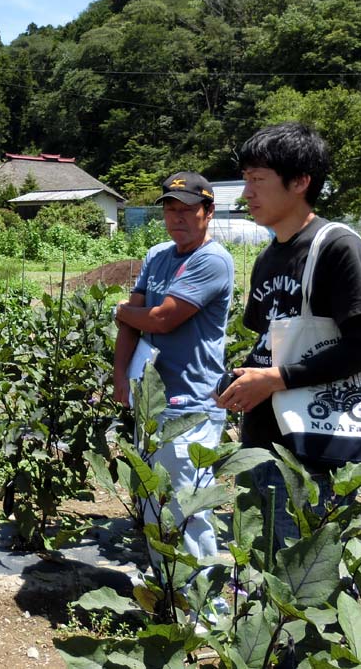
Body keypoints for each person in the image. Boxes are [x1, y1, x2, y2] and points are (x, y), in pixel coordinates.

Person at [215, 122, 361, 546]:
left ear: (300, 182)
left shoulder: (337, 246)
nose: (246, 192)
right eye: (245, 180)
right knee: (262, 571)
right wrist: (243, 379)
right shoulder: (270, 256)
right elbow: (269, 344)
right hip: (263, 441)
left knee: (302, 581)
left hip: (313, 453)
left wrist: (275, 379)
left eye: (257, 180)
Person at [113, 172, 235, 570]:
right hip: (151, 402)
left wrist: (122, 311)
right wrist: (120, 382)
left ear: (208, 212)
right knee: (152, 504)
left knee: (189, 510)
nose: (177, 217)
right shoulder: (157, 256)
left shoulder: (212, 260)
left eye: (187, 210)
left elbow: (163, 319)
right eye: (170, 209)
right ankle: (168, 600)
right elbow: (135, 323)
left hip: (191, 406)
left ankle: (203, 615)